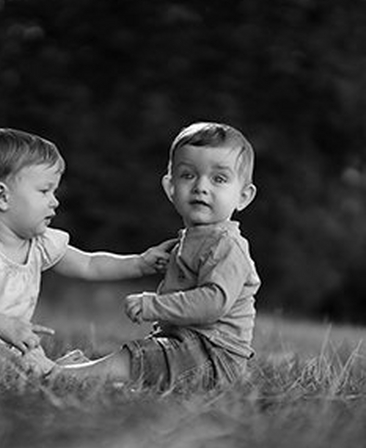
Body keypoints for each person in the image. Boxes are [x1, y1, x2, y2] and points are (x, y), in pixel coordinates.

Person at [0, 128, 175, 379]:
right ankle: (31, 377)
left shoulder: (38, 242)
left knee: (27, 351)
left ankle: (50, 373)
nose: (54, 200)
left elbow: (90, 264)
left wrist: (140, 262)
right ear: (2, 197)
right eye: (45, 190)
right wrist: (7, 327)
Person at [58, 122, 260, 390]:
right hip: (189, 346)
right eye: (188, 175)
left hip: (215, 356)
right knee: (149, 359)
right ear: (170, 187)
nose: (201, 186)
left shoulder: (227, 246)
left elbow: (214, 302)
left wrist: (154, 304)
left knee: (141, 357)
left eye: (219, 179)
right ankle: (83, 371)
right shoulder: (192, 238)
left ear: (243, 197)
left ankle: (68, 375)